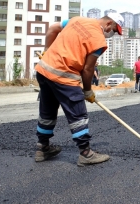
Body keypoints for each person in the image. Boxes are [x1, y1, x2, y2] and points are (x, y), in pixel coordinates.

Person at [33, 13, 124, 167]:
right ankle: (86, 153)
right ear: (109, 24)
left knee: (47, 111)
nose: (112, 35)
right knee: (78, 114)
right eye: (114, 31)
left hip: (44, 70)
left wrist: (47, 51)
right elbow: (88, 69)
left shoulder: (77, 20)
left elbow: (52, 29)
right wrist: (87, 90)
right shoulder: (98, 40)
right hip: (64, 75)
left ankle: (43, 148)